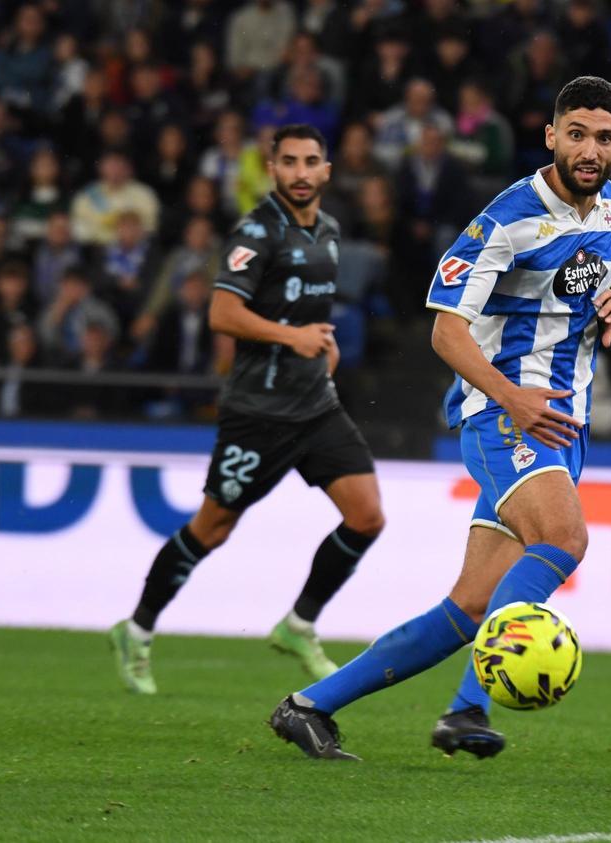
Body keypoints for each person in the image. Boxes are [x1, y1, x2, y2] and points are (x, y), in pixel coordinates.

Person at [267, 76, 611, 761]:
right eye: (575, 134)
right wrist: (512, 396)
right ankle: (467, 708)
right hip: (506, 416)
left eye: (602, 137)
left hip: (563, 422)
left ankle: (308, 706)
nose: (588, 149)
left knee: (468, 607)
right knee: (564, 538)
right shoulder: (506, 217)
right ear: (551, 136)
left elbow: (590, 296)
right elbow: (445, 331)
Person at [109, 124, 386, 695]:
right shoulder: (257, 232)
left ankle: (298, 624)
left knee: (367, 515)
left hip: (315, 406)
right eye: (289, 162)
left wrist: (320, 347)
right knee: (212, 528)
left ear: (327, 170)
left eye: (312, 161)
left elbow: (308, 315)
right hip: (257, 414)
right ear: (273, 168)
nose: (302, 172)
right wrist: (292, 339)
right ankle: (136, 630)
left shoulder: (330, 233)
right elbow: (222, 313)